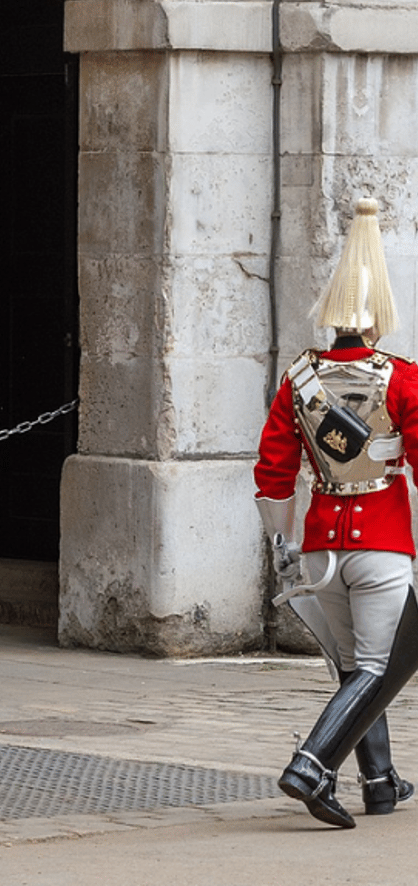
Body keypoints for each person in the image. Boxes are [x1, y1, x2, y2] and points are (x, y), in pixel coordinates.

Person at [254, 197, 418, 828]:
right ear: (378, 323)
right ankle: (310, 767)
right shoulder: (401, 379)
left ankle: (379, 780)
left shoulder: (299, 380)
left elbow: (273, 471)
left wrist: (283, 543)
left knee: (353, 667)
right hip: (381, 542)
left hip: (323, 546)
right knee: (378, 668)